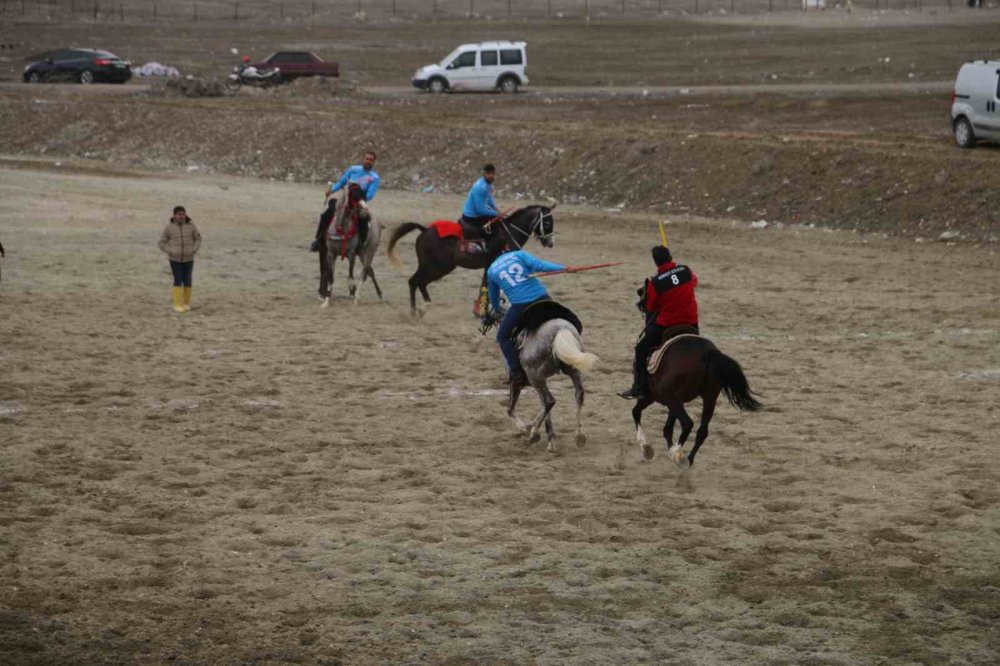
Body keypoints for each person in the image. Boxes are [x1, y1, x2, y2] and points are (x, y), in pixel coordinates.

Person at [618, 246, 699, 400]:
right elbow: (695, 282)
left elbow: (651, 307)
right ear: (670, 256)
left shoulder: (655, 282)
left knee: (641, 349)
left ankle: (638, 387)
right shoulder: (685, 270)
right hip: (691, 322)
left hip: (667, 325)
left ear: (656, 262)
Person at [484, 244, 566, 385]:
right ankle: (563, 360)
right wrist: (563, 268)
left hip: (521, 306)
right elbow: (540, 265)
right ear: (506, 247)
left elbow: (494, 297)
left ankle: (516, 373)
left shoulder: (491, 271)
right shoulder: (519, 255)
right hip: (543, 298)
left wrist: (497, 310)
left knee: (502, 336)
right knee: (563, 324)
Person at [311, 151, 380, 251]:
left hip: (359, 203)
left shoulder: (374, 177)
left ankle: (361, 243)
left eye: (371, 160)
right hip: (345, 199)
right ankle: (318, 240)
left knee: (364, 219)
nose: (368, 161)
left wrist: (358, 199)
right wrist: (331, 190)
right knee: (326, 214)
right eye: (367, 159)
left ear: (374, 162)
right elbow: (341, 182)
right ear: (363, 159)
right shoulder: (353, 169)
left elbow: (370, 194)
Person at [158, 205, 202, 313]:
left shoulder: (191, 226)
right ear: (174, 215)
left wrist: (194, 250)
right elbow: (161, 242)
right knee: (178, 279)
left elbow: (198, 239)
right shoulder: (169, 227)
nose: (181, 216)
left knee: (188, 280)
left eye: (183, 214)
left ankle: (186, 303)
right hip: (175, 259)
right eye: (179, 214)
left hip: (189, 258)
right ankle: (177, 304)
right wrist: (170, 251)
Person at [461, 163, 500, 236]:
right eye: (488, 173)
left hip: (477, 214)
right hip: (471, 217)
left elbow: (489, 198)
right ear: (484, 173)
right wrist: (496, 213)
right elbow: (480, 210)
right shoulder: (480, 188)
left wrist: (496, 209)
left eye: (493, 173)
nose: (491, 175)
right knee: (493, 231)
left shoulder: (488, 184)